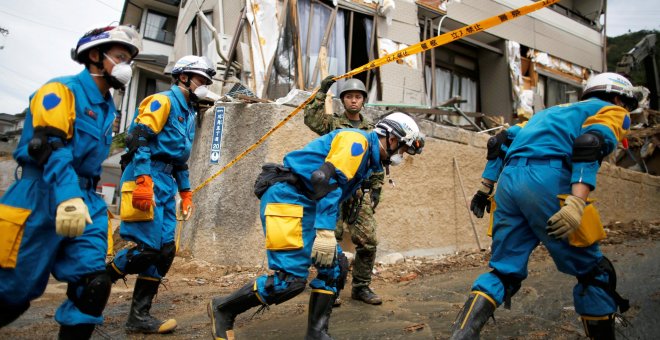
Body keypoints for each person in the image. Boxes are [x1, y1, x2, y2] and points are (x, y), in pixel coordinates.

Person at [452, 72, 636, 340]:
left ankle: (462, 335)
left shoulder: (546, 114)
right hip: (550, 182)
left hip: (509, 185)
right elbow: (590, 143)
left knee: (504, 271)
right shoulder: (613, 110)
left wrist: (484, 188)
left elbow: (499, 141)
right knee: (595, 272)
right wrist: (575, 203)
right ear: (619, 97)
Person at [208, 112, 425, 339]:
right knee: (289, 282)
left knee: (335, 267)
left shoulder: (370, 159)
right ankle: (223, 309)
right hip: (287, 199)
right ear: (391, 139)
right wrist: (325, 232)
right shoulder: (356, 142)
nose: (401, 155)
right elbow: (326, 181)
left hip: (307, 204)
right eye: (401, 148)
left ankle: (317, 334)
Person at [0, 26, 141, 339]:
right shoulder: (61, 91)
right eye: (120, 56)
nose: (126, 65)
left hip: (86, 198)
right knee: (12, 293)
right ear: (95, 56)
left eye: (129, 58)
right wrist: (67, 196)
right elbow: (48, 147)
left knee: (93, 285)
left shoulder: (107, 109)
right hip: (41, 194)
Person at [105, 55, 215, 334]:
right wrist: (142, 178)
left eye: (206, 81)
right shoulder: (163, 101)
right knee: (148, 249)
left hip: (166, 180)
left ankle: (139, 316)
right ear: (183, 77)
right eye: (200, 79)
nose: (204, 85)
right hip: (147, 175)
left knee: (165, 251)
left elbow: (179, 159)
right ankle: (98, 280)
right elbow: (138, 137)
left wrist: (186, 192)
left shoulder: (189, 114)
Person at [303, 76, 384, 305]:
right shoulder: (333, 123)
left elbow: (378, 159)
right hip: (334, 192)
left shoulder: (372, 130)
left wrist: (377, 187)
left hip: (359, 193)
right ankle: (328, 287)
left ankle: (361, 287)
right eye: (349, 97)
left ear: (363, 101)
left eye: (358, 97)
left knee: (368, 241)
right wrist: (321, 91)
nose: (354, 101)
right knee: (331, 240)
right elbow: (310, 119)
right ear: (343, 100)